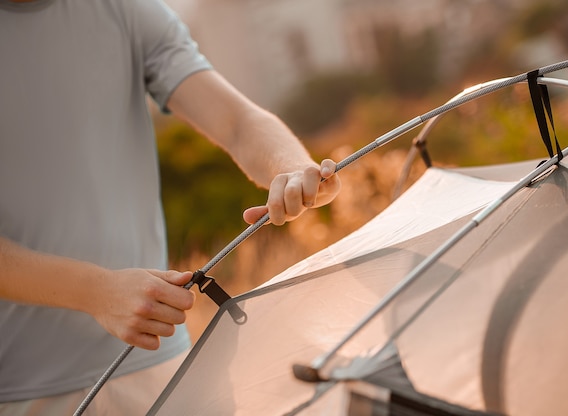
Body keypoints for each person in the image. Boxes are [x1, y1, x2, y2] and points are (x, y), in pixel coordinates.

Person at [0, 0, 341, 414]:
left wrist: (290, 168)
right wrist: (97, 292)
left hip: (163, 367)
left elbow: (236, 120)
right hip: (21, 391)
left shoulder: (124, 9)